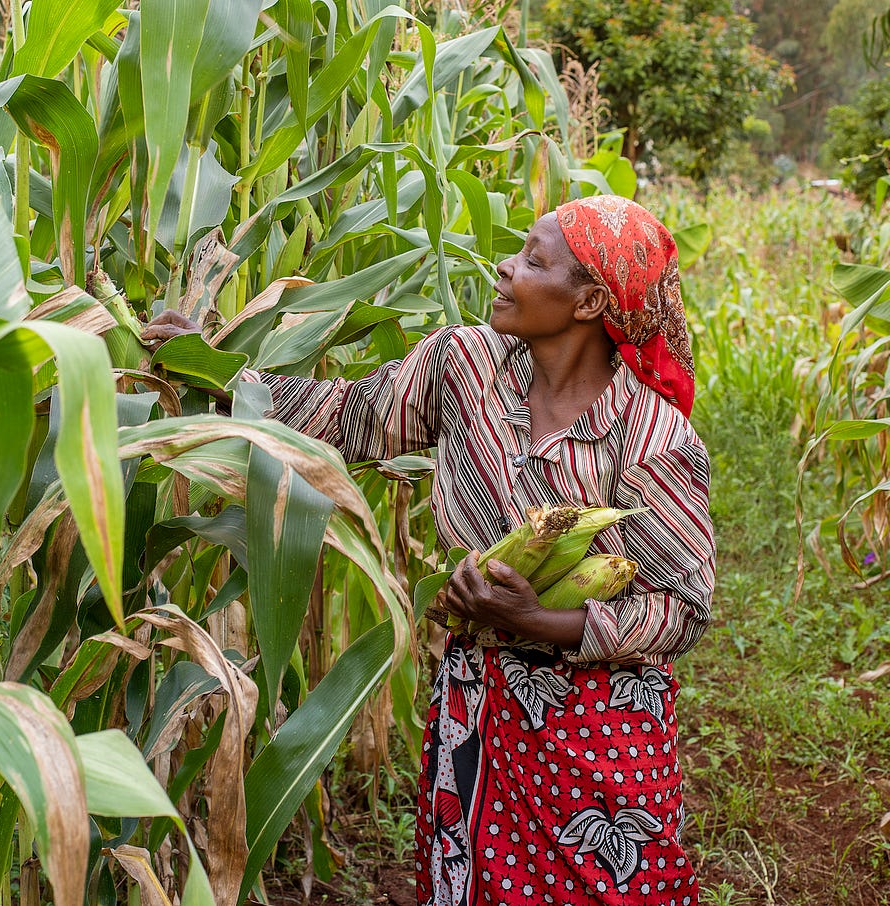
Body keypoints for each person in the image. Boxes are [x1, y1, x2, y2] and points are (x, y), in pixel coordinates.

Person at [143, 195, 714, 905]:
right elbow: (350, 417)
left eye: (534, 261)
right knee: (468, 883)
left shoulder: (653, 439)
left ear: (590, 300)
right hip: (475, 699)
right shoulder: (463, 366)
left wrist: (541, 622)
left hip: (597, 725)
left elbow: (682, 608)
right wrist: (216, 375)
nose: (505, 268)